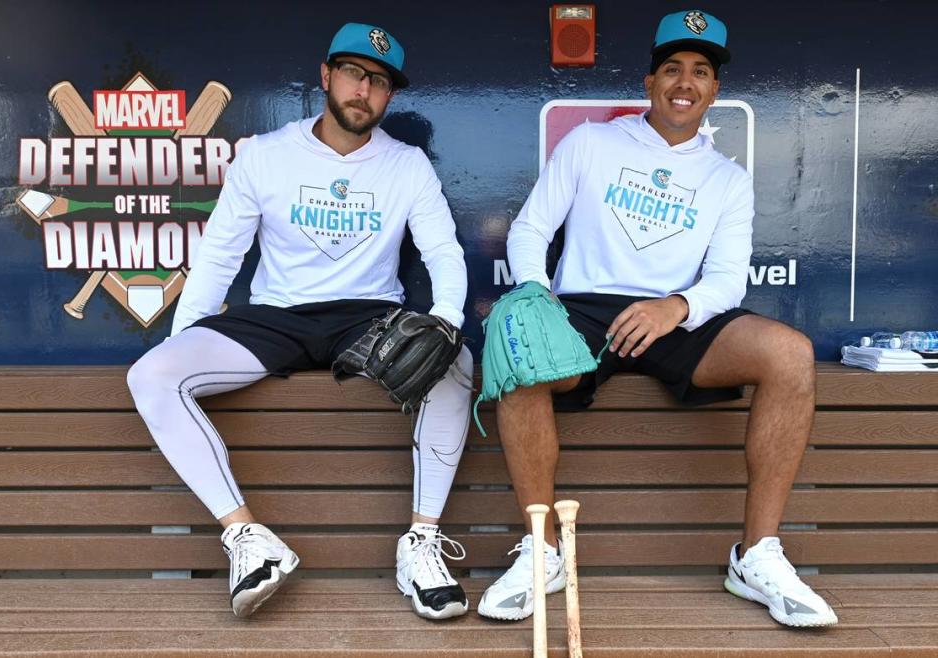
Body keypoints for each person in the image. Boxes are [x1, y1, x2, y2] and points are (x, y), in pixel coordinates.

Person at [476, 9, 838, 628]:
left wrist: (677, 306)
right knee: (520, 348)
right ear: (649, 83)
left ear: (715, 91)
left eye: (700, 71)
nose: (685, 81)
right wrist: (537, 297)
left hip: (675, 315)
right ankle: (543, 552)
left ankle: (755, 556)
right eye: (672, 68)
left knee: (789, 353)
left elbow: (725, 280)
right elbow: (533, 228)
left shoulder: (727, 178)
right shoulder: (592, 142)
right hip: (584, 307)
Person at [127, 22, 473, 621]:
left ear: (389, 96)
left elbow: (444, 252)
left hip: (367, 318)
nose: (364, 90)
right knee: (152, 374)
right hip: (276, 318)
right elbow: (219, 254)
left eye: (380, 82)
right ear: (326, 76)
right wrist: (188, 338)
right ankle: (247, 539)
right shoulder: (264, 155)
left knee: (457, 363)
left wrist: (444, 321)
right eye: (354, 74)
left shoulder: (407, 164)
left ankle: (420, 544)